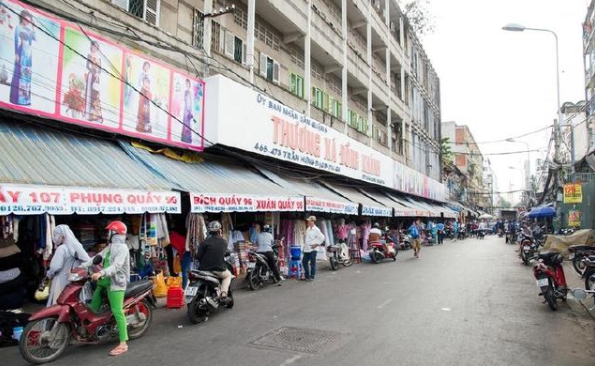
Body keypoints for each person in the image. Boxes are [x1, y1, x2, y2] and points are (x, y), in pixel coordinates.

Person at [87, 221, 130, 356]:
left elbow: (116, 266)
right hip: (104, 282)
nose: (107, 234)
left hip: (116, 283)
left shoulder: (123, 248)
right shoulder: (111, 246)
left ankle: (123, 343)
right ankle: (91, 332)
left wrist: (101, 273)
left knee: (117, 311)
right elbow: (97, 258)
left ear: (115, 233)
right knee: (92, 308)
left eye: (109, 232)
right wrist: (82, 266)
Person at [46, 225, 91, 306]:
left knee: (59, 302)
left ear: (62, 236)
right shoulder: (76, 246)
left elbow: (55, 267)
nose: (55, 238)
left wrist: (49, 274)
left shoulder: (62, 249)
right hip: (73, 280)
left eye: (56, 235)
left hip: (61, 280)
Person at [196, 221, 234, 301]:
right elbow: (224, 252)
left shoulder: (204, 242)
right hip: (218, 269)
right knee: (228, 275)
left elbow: (198, 256)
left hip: (203, 269)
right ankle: (224, 294)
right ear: (219, 230)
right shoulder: (223, 242)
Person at [9, 10, 36, 106]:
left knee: (27, 75)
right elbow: (16, 40)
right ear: (22, 18)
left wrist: (33, 27)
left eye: (29, 20)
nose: (27, 22)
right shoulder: (18, 27)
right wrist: (16, 53)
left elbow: (35, 38)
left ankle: (25, 99)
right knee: (19, 74)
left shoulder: (29, 30)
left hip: (28, 54)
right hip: (21, 52)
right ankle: (16, 99)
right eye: (25, 20)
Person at [302, 216, 325, 282]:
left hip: (313, 249)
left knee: (312, 263)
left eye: (309, 221)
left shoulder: (316, 229)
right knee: (304, 262)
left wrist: (317, 244)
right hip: (307, 248)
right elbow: (307, 237)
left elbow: (322, 237)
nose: (308, 222)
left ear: (312, 221)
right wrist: (304, 234)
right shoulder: (308, 229)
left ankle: (312, 276)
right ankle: (307, 276)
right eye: (308, 221)